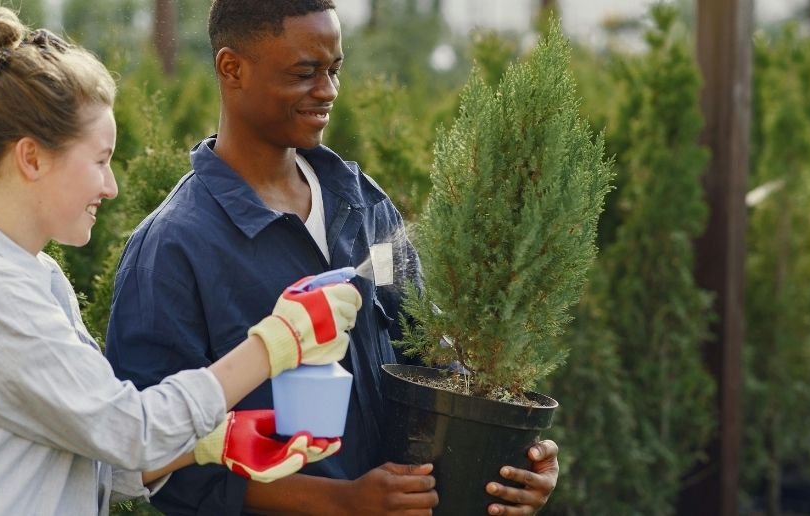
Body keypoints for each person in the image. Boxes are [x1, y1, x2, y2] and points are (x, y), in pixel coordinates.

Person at [0, 3, 363, 515]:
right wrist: (276, 344)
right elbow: (127, 431)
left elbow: (90, 447)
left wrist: (207, 445)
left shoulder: (35, 276)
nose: (110, 187)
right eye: (100, 161)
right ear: (32, 157)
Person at [105, 1, 560, 515]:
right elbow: (150, 459)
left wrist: (508, 460)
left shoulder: (364, 206)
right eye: (305, 73)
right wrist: (343, 502)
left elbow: (431, 357)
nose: (328, 91)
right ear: (232, 68)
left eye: (334, 70)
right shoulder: (172, 248)